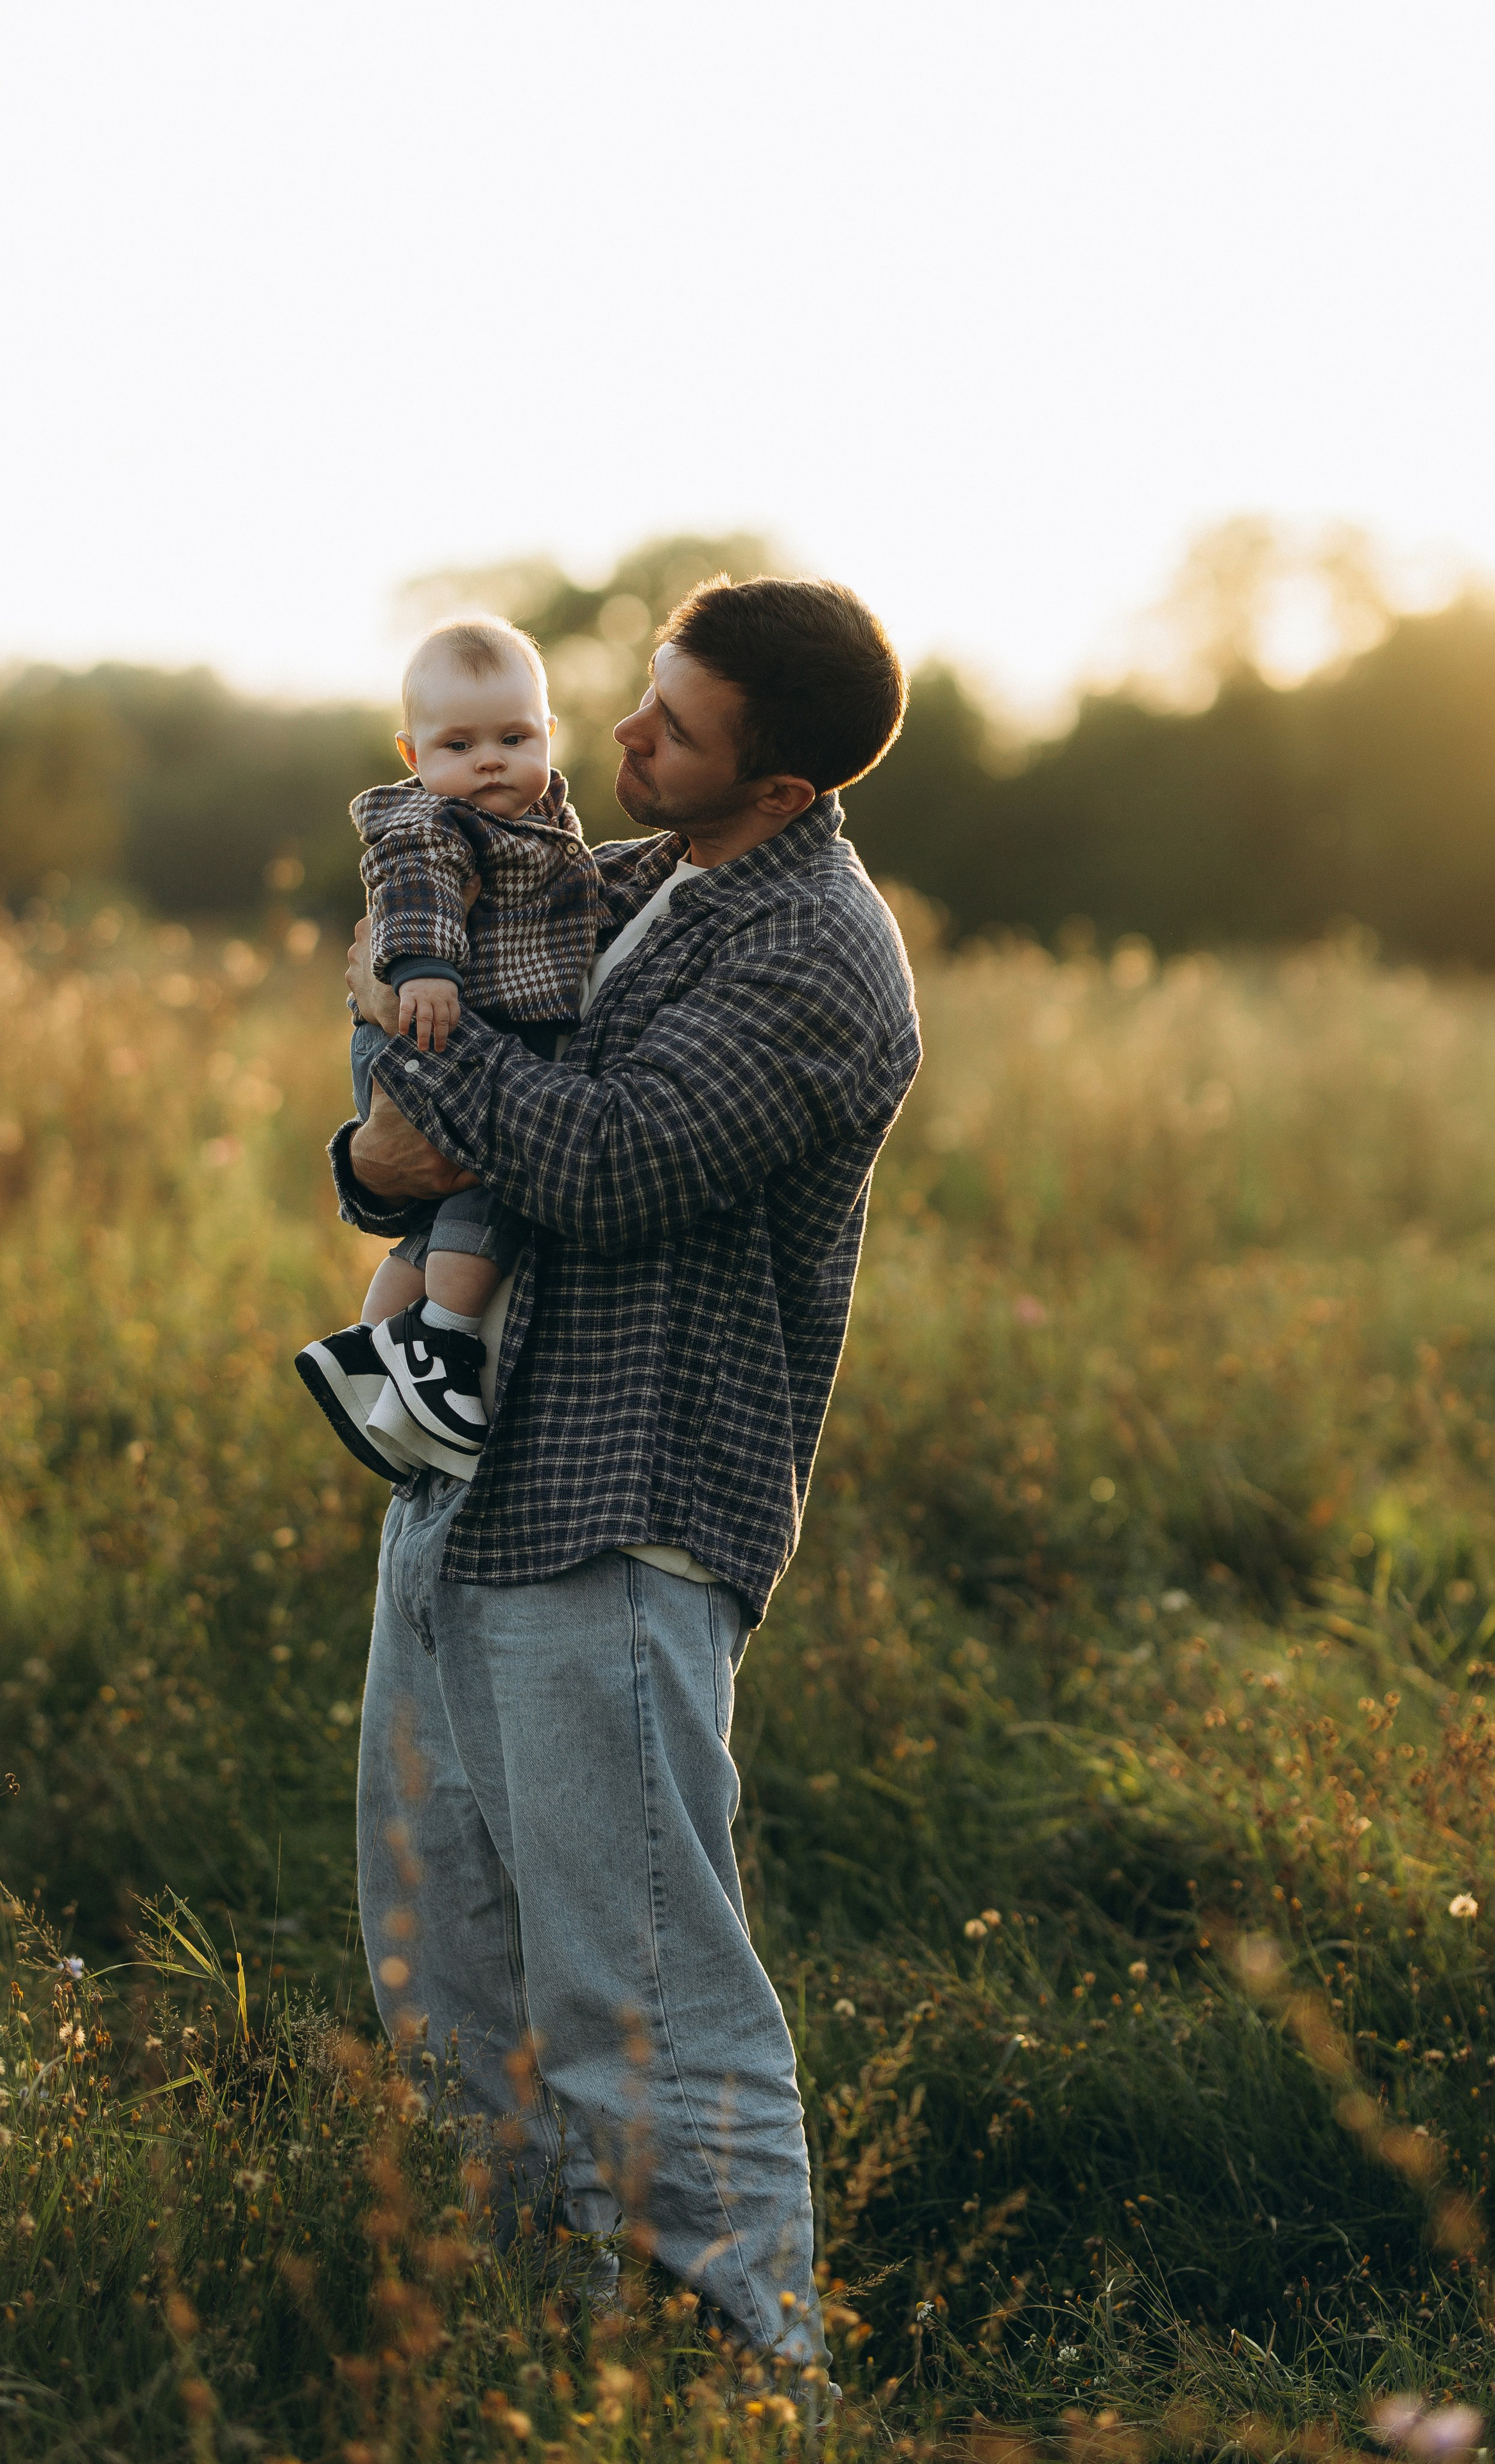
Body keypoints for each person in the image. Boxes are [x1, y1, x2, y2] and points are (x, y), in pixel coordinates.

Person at [333, 574, 921, 2389]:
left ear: (787, 784)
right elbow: (412, 1154)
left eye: (675, 723)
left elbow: (602, 1159)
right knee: (458, 1987)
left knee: (644, 2002)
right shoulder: (646, 882)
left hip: (628, 1509)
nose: (622, 734)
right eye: (644, 693)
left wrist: (406, 1027)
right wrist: (377, 1131)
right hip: (468, 1487)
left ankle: (742, 2393)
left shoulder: (815, 955)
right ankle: (542, 2362)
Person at [296, 614, 599, 1476]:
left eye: (515, 736)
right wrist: (425, 968)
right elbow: (418, 888)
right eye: (459, 744)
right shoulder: (433, 822)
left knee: (433, 1222)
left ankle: (368, 1349)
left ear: (549, 735)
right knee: (503, 1175)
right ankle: (445, 1340)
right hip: (430, 1025)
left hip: (451, 1033)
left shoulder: (546, 825)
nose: (491, 760)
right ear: (413, 755)